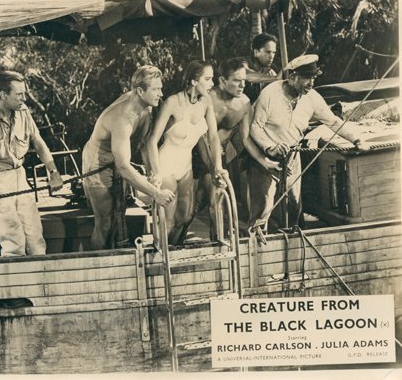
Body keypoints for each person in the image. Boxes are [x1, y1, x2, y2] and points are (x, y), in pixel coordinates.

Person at [248, 54, 369, 233]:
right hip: (265, 155)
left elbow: (333, 122)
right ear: (292, 77)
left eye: (313, 78)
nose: (311, 83)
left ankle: (292, 245)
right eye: (307, 78)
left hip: (292, 156)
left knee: (294, 205)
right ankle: (257, 246)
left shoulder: (312, 97)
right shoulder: (269, 94)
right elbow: (255, 128)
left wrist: (356, 139)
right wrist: (270, 147)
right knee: (264, 207)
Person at [0, 71, 64, 257]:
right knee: (14, 243)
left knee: (35, 238)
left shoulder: (24, 112)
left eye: (24, 93)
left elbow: (38, 142)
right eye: (19, 94)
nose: (24, 98)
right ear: (4, 95)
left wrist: (54, 172)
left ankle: (40, 281)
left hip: (20, 176)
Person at [82, 65, 175, 250]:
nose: (160, 93)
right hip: (97, 163)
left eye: (160, 88)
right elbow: (124, 166)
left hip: (116, 159)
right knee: (105, 223)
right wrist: (156, 194)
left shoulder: (146, 106)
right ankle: (98, 267)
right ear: (140, 91)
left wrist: (154, 172)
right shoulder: (123, 116)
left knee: (119, 216)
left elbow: (146, 142)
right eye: (156, 89)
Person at [194, 59, 281, 234]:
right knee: (189, 211)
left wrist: (265, 162)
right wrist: (214, 168)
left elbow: (246, 138)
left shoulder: (244, 103)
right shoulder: (207, 99)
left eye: (244, 80)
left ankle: (221, 242)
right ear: (222, 81)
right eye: (236, 80)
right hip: (196, 155)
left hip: (219, 157)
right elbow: (203, 139)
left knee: (216, 202)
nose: (242, 85)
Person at [147, 60, 225, 245]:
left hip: (186, 165)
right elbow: (151, 141)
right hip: (166, 164)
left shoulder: (206, 102)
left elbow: (213, 137)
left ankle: (173, 251)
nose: (212, 84)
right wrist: (156, 171)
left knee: (187, 216)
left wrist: (218, 167)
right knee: (169, 220)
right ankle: (160, 260)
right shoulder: (173, 102)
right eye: (207, 79)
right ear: (193, 81)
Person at [242, 32, 281, 104]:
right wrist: (276, 78)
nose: (271, 56)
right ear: (256, 52)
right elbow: (246, 75)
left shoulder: (270, 72)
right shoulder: (241, 63)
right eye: (268, 52)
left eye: (274, 52)